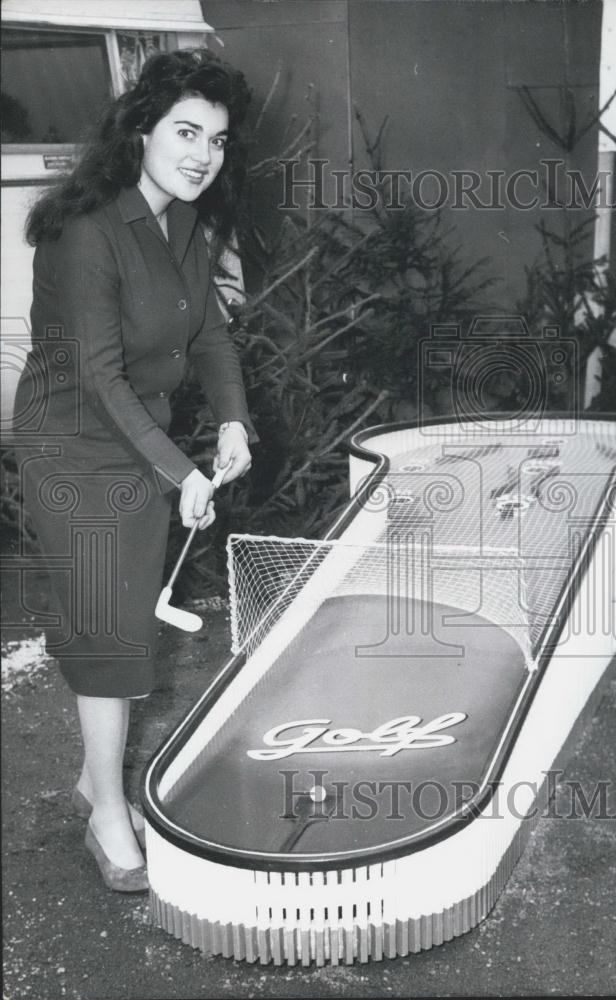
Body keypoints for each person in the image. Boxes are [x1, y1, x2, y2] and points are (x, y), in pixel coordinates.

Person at [12, 49, 258, 892]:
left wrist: (232, 418)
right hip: (74, 447)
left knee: (123, 617)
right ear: (142, 129)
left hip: (139, 438)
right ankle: (106, 808)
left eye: (217, 140)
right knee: (107, 626)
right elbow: (96, 372)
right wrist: (176, 470)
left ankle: (94, 776)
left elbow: (211, 335)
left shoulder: (185, 221)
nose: (202, 153)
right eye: (186, 131)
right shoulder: (89, 228)